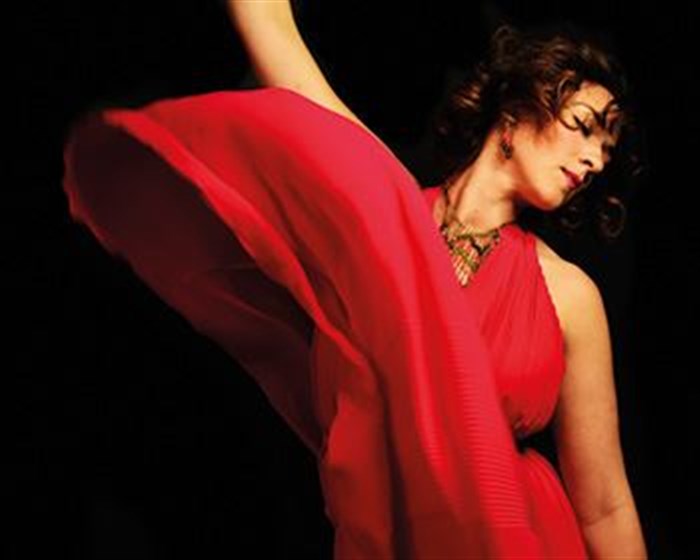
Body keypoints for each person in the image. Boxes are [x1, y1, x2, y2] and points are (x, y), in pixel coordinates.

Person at [61, 1, 647, 558]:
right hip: (387, 528)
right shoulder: (383, 219)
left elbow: (604, 507)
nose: (596, 159)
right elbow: (289, 62)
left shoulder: (570, 294)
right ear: (515, 109)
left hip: (514, 535)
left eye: (607, 148)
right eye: (583, 126)